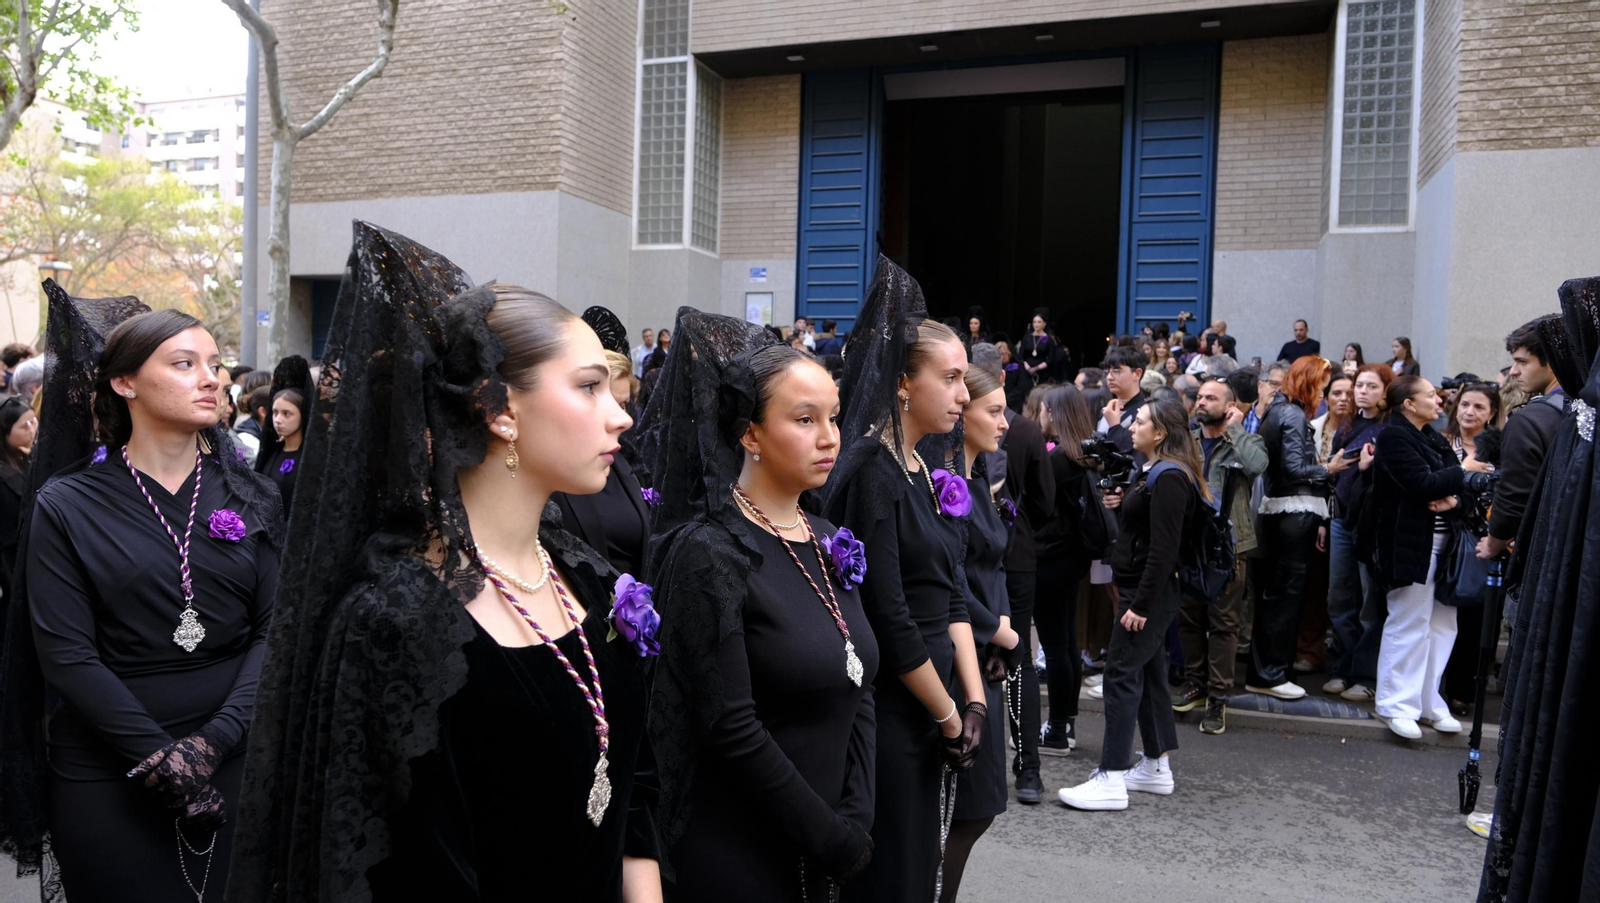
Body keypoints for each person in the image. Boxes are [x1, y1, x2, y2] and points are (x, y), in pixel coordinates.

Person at [227, 224, 661, 901]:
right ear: (499, 410)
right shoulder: (396, 621)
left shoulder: (585, 577)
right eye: (588, 387)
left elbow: (632, 792)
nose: (621, 417)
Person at [13, 301, 282, 902]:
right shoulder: (68, 503)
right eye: (185, 364)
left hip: (237, 756)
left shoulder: (253, 494)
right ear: (125, 382)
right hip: (109, 770)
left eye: (215, 364)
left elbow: (274, 630)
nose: (211, 378)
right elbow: (67, 656)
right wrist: (162, 758)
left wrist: (212, 744)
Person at [644, 319, 877, 901]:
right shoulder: (710, 551)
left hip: (829, 841)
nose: (830, 438)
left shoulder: (827, 536)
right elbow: (730, 725)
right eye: (805, 420)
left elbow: (860, 677)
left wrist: (857, 813)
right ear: (750, 433)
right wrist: (829, 835)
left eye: (833, 417)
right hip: (743, 848)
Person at [823, 258, 985, 902]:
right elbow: (889, 616)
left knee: (922, 867)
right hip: (898, 709)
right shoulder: (874, 473)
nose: (964, 395)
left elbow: (950, 592)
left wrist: (973, 702)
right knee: (893, 874)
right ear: (902, 385)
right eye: (950, 378)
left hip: (936, 704)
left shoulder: (920, 467)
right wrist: (948, 715)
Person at [1479, 276, 1600, 903]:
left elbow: (1518, 498)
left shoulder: (1551, 421)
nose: (1513, 372)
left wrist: (1498, 539)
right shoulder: (1571, 418)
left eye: (1522, 361)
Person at [1057, 398, 1204, 811]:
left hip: (1146, 594)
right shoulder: (1158, 470)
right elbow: (1147, 533)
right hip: (1144, 591)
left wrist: (1139, 605)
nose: (1131, 426)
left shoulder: (1170, 476)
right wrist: (1125, 504)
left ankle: (1112, 777)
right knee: (1150, 675)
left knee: (1120, 674)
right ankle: (1156, 766)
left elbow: (1164, 551)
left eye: (1139, 421)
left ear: (1161, 432)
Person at [942, 365, 1018, 902]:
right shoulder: (945, 484)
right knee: (963, 810)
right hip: (956, 656)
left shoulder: (977, 478)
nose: (1005, 422)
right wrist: (999, 632)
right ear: (961, 413)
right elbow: (945, 579)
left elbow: (993, 566)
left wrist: (1001, 629)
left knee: (979, 808)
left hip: (985, 650)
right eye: (994, 411)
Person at [1248, 356, 1352, 699]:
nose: (1322, 394)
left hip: (1283, 512)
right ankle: (1270, 675)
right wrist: (1329, 468)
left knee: (1277, 598)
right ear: (1309, 383)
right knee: (1285, 598)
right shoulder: (1291, 413)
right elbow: (1294, 469)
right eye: (1321, 386)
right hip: (1294, 514)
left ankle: (1269, 673)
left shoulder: (1277, 411)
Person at [1369, 375, 1465, 740]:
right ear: (1409, 403)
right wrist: (1463, 473)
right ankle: (1396, 704)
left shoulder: (1432, 438)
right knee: (1409, 621)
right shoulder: (1394, 436)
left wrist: (1454, 494)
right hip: (1409, 543)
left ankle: (1428, 702)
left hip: (1446, 542)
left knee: (1442, 626)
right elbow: (1423, 484)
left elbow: (1453, 486)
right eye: (1430, 395)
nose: (1439, 401)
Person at [1173, 378, 1267, 734]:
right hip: (1190, 544)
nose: (1201, 402)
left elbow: (1256, 465)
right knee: (1189, 618)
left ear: (1229, 406)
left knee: (1224, 622)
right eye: (1199, 397)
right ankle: (1195, 683)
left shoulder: (1246, 441)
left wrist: (1235, 429)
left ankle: (1219, 697)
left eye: (1210, 398)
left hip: (1230, 545)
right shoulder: (1187, 441)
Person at [1031, 385, 1098, 763]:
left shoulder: (1056, 460)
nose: (1040, 415)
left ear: (1054, 414)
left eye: (1044, 410)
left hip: (1050, 560)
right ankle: (1066, 724)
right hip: (1074, 560)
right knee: (1068, 643)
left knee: (1055, 648)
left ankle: (1056, 729)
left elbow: (1039, 509)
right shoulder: (1083, 456)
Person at [1321, 364, 1392, 702]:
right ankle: (1346, 666)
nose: (1362, 392)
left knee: (1369, 604)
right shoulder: (1348, 424)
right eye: (1359, 386)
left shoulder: (1390, 427)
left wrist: (1367, 468)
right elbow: (1335, 476)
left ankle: (1365, 674)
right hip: (1340, 519)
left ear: (1386, 391)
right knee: (1338, 600)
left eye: (1371, 386)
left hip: (1371, 523)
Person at [552, 349, 652, 577]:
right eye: (605, 403)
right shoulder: (551, 477)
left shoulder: (623, 462)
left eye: (623, 404)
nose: (624, 420)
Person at [1477, 318, 1564, 564]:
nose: (1514, 371)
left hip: (1538, 553)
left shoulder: (1529, 420)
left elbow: (1513, 496)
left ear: (1551, 361)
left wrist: (1493, 542)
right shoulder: (1585, 404)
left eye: (1522, 362)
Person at [1440, 382, 1499, 713]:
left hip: (1483, 541)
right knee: (1440, 616)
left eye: (1478, 407)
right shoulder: (1440, 443)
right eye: (1464, 404)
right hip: (1442, 537)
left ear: (1491, 413)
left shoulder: (1499, 449)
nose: (1469, 412)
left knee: (1475, 617)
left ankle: (1462, 691)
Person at [0, 395, 37, 602]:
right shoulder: (5, 476)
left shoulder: (26, 457)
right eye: (25, 426)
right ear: (5, 434)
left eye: (34, 421)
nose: (33, 429)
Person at [1098, 345, 1149, 455]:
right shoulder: (1107, 409)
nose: (1109, 377)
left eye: (1116, 371)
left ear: (1137, 374)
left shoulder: (1146, 413)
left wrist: (1114, 426)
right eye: (1108, 371)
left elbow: (1135, 455)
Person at [1017, 309, 1064, 387]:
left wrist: (1036, 368)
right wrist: (1028, 368)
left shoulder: (1048, 339)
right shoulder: (1027, 337)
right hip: (1026, 371)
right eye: (1034, 322)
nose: (1036, 324)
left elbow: (1050, 358)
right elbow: (1021, 356)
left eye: (1039, 322)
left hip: (1043, 372)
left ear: (1044, 324)